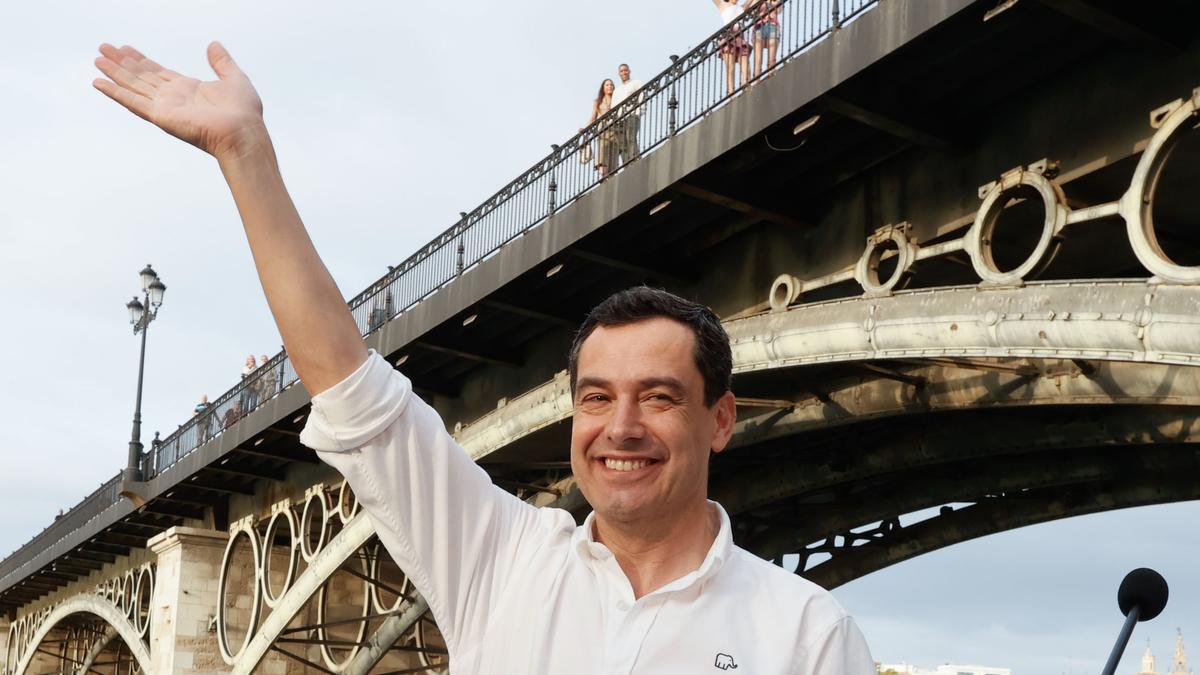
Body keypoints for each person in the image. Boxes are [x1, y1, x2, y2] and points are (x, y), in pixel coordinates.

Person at [93, 42, 874, 673]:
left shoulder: (807, 636)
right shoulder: (500, 558)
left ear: (721, 418)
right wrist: (244, 154)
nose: (620, 426)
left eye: (660, 396)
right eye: (596, 397)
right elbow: (352, 387)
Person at [712, 0, 752, 96]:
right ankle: (731, 94)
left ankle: (747, 90)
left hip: (741, 39)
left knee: (746, 69)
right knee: (730, 68)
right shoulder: (723, 4)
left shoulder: (741, 7)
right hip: (729, 38)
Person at [611, 64, 645, 168]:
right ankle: (627, 165)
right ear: (619, 73)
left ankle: (636, 162)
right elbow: (613, 106)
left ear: (629, 71)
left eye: (625, 70)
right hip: (619, 119)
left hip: (632, 114)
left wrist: (639, 111)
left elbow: (642, 97)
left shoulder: (636, 83)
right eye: (621, 71)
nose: (624, 72)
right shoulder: (617, 90)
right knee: (622, 143)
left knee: (631, 137)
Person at [583, 79, 617, 178]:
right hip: (603, 130)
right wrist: (585, 129)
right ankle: (603, 174)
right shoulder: (598, 102)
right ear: (603, 88)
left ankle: (611, 176)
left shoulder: (617, 98)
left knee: (613, 154)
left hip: (615, 130)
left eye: (611, 85)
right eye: (607, 85)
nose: (610, 86)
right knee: (602, 150)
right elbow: (593, 117)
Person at [750, 0, 782, 79]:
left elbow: (779, 10)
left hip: (772, 25)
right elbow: (751, 12)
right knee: (758, 60)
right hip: (759, 26)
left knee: (771, 59)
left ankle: (771, 77)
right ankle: (756, 82)